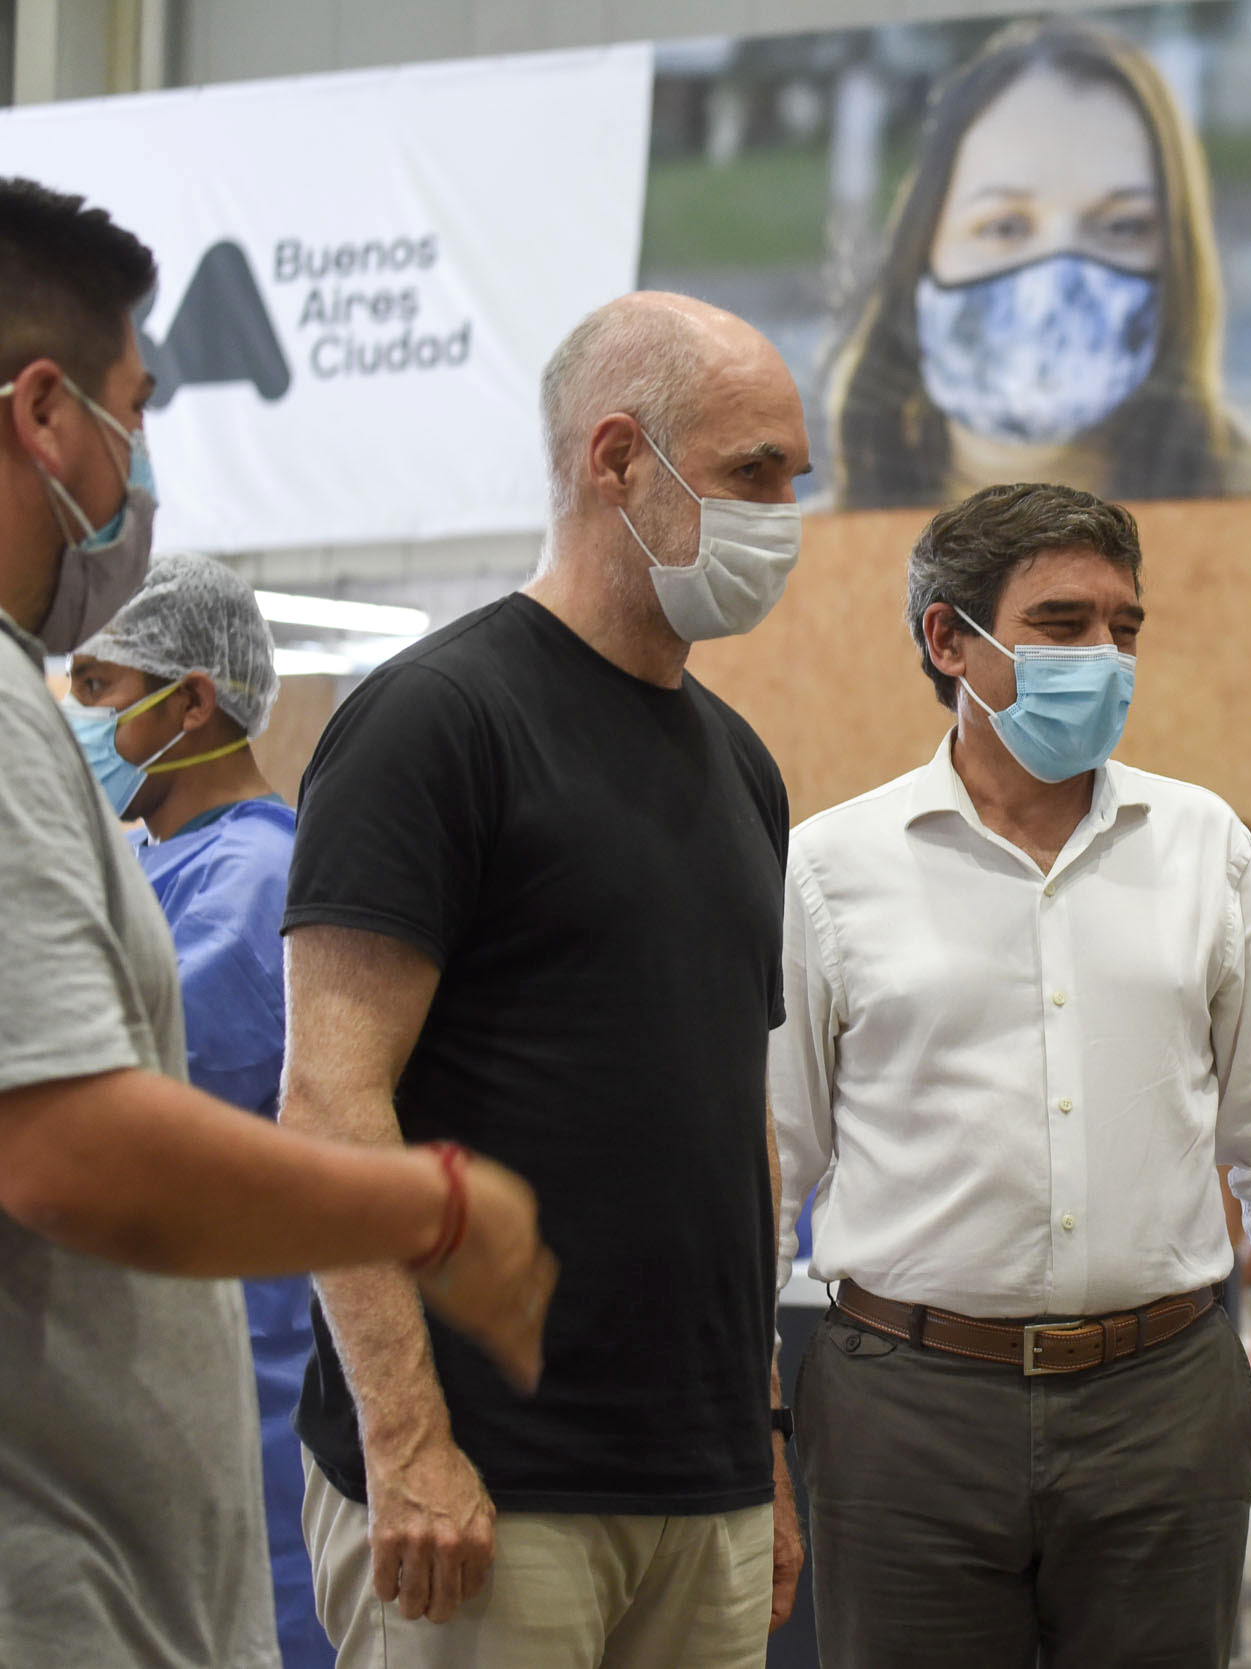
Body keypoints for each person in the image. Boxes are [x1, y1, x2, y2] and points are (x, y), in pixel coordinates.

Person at [0, 175, 552, 1669]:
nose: (140, 465)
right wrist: (433, 1207)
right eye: (137, 406)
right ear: (44, 413)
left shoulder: (242, 874)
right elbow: (70, 1143)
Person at [771, 481, 1251, 1667]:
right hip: (907, 1405)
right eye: (1061, 624)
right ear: (951, 639)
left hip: (1160, 1396)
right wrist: (756, 1409)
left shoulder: (1204, 845)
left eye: (1124, 625)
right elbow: (765, 1156)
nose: (1104, 655)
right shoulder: (827, 870)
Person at [279, 292, 808, 1668]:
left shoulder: (743, 766)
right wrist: (407, 1441)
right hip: (487, 1492)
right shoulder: (436, 719)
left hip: (697, 1486)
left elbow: (727, 1124)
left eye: (795, 477)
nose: (786, 516)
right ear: (617, 459)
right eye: (755, 472)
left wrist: (759, 1437)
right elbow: (330, 1099)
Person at [67, 552, 329, 1668]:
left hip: (246, 1391)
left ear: (192, 700)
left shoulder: (252, 884)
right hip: (144, 1381)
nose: (84, 724)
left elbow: (116, 1101)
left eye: (105, 695)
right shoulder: (156, 864)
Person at [824, 16, 1251, 508]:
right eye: (1005, 226)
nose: (1058, 290)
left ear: (1177, 260)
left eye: (1123, 227)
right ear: (922, 252)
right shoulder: (801, 569)